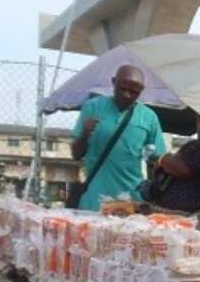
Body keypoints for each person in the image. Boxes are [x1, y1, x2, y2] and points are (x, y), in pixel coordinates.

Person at [70, 65, 166, 211]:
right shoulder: (93, 107)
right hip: (94, 198)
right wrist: (85, 134)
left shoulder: (149, 117)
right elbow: (76, 155)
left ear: (141, 91)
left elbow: (158, 159)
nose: (127, 94)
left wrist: (152, 191)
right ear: (114, 82)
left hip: (130, 198)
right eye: (122, 88)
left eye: (134, 92)